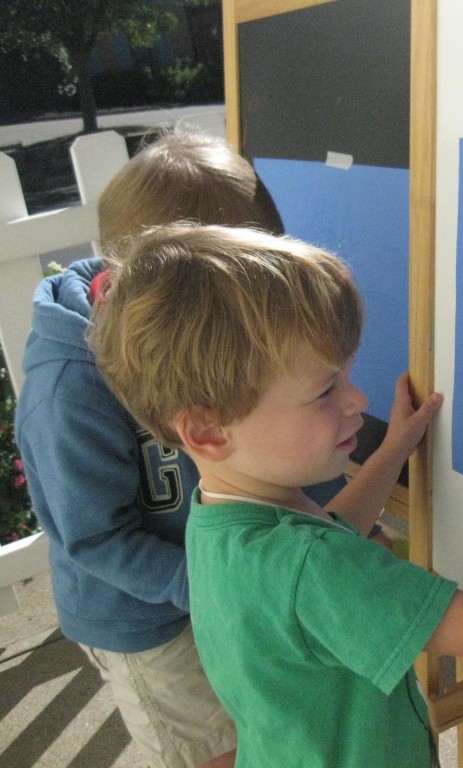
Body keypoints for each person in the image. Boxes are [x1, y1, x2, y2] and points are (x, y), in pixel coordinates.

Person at [89, 223, 463, 768]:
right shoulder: (311, 566)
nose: (357, 399)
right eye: (325, 390)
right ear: (208, 431)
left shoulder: (221, 517)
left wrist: (394, 449)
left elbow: (330, 528)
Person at [14, 129, 363, 768]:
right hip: (147, 624)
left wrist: (338, 528)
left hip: (230, 587)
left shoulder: (223, 341)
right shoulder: (70, 391)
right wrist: (216, 588)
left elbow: (274, 456)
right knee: (215, 752)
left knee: (264, 734)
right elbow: (94, 538)